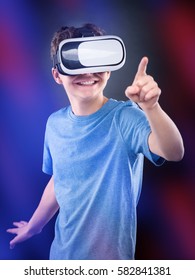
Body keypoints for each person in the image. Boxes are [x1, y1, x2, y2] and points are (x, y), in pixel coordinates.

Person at [7, 23, 184, 260]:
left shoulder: (125, 117)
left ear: (108, 70)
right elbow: (60, 179)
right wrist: (34, 225)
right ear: (57, 75)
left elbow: (173, 151)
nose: (88, 72)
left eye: (96, 62)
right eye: (75, 62)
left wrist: (151, 108)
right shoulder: (54, 124)